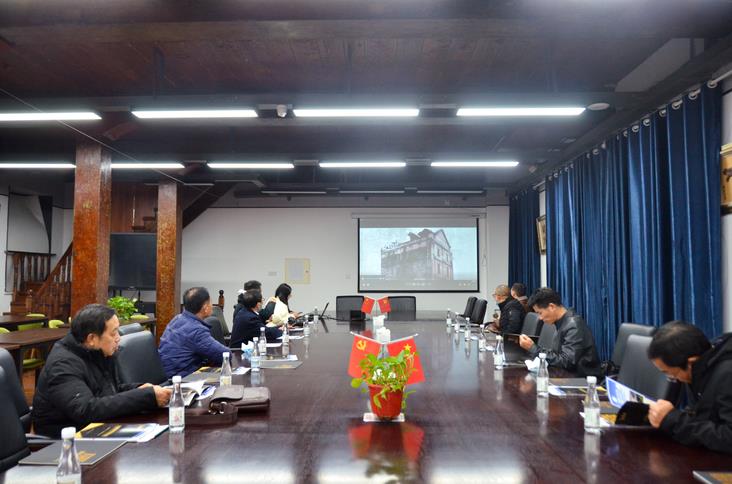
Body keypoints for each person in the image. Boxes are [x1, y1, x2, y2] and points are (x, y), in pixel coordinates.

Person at [32, 304, 171, 437]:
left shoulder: (97, 352)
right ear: (92, 338)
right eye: (113, 333)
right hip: (66, 441)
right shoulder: (63, 364)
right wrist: (145, 397)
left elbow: (109, 390)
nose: (118, 338)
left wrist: (139, 389)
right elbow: (85, 410)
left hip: (98, 429)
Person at [646, 321, 732, 453]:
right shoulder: (700, 367)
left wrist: (673, 420)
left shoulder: (727, 375)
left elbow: (729, 437)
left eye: (671, 373)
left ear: (691, 362)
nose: (673, 379)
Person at [518, 287, 601, 377]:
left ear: (551, 307)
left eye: (540, 313)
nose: (540, 318)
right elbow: (558, 354)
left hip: (580, 378)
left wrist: (533, 348)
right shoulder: (562, 322)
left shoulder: (573, 325)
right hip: (566, 374)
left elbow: (566, 362)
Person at [158, 287, 231, 378]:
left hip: (169, 374)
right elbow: (225, 355)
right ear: (205, 308)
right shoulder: (196, 330)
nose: (212, 306)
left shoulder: (177, 318)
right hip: (182, 378)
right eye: (210, 303)